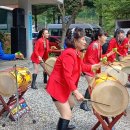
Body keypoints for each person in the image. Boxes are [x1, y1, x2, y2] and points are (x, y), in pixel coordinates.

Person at [46, 27, 101, 130]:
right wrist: (76, 92)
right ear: (75, 40)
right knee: (67, 114)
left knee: (71, 103)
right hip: (57, 86)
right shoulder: (69, 53)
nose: (85, 42)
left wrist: (95, 66)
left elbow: (81, 66)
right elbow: (67, 75)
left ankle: (63, 124)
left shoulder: (76, 52)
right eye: (83, 39)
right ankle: (64, 121)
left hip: (63, 85)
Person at [80, 30, 109, 111]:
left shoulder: (98, 45)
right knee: (92, 85)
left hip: (92, 68)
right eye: (104, 36)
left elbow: (98, 57)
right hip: (88, 68)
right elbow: (89, 58)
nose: (106, 38)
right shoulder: (95, 45)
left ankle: (86, 102)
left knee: (92, 85)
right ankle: (83, 103)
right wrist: (97, 65)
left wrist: (103, 61)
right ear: (99, 37)